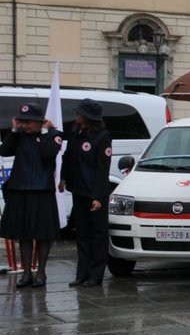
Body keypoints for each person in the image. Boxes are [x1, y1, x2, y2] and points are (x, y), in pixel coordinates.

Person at [1, 102, 62, 287]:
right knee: (24, 234)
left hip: (41, 191)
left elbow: (47, 154)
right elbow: (4, 151)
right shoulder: (18, 136)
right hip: (20, 190)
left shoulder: (53, 135)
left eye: (28, 122)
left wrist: (43, 133)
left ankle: (41, 273)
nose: (25, 125)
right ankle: (27, 273)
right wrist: (13, 129)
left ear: (40, 122)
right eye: (22, 121)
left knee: (42, 234)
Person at [61, 98, 114, 287]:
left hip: (95, 193)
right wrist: (63, 177)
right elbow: (68, 157)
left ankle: (95, 275)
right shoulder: (76, 132)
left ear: (88, 118)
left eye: (79, 114)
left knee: (97, 234)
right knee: (82, 233)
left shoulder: (102, 137)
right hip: (79, 190)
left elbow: (102, 170)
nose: (76, 117)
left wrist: (98, 197)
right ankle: (81, 274)